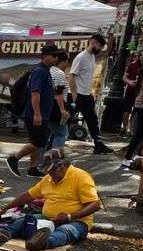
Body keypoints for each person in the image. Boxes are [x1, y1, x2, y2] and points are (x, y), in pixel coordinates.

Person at [0, 151, 101, 251]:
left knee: (65, 231)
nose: (51, 176)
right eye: (49, 173)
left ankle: (43, 242)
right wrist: (6, 209)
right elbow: (27, 195)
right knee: (25, 220)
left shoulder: (81, 177)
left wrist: (69, 217)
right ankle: (3, 232)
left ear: (64, 166)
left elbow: (95, 205)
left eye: (53, 172)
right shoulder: (48, 179)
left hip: (77, 221)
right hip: (48, 219)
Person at [6, 43, 60, 177]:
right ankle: (14, 159)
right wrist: (37, 113)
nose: (56, 58)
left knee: (36, 141)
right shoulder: (39, 71)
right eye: (53, 55)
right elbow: (35, 93)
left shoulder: (45, 71)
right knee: (38, 142)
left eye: (57, 56)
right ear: (45, 56)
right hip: (36, 113)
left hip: (42, 113)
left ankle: (33, 168)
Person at [68, 33, 113, 153]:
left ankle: (98, 144)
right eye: (99, 46)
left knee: (92, 119)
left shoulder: (92, 56)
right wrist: (74, 94)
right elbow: (72, 75)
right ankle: (54, 141)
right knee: (68, 118)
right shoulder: (81, 57)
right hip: (78, 94)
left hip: (86, 94)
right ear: (93, 42)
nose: (99, 49)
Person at [46, 50, 71, 151]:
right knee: (62, 134)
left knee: (51, 133)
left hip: (48, 105)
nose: (67, 64)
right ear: (63, 61)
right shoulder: (59, 73)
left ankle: (43, 158)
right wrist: (62, 109)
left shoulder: (49, 70)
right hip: (56, 106)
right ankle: (53, 159)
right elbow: (58, 92)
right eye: (67, 60)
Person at [121, 49, 143, 133]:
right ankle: (124, 128)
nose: (142, 57)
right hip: (130, 90)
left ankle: (131, 130)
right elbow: (124, 77)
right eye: (141, 55)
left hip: (140, 92)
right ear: (138, 56)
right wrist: (130, 82)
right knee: (126, 109)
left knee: (136, 111)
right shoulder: (132, 65)